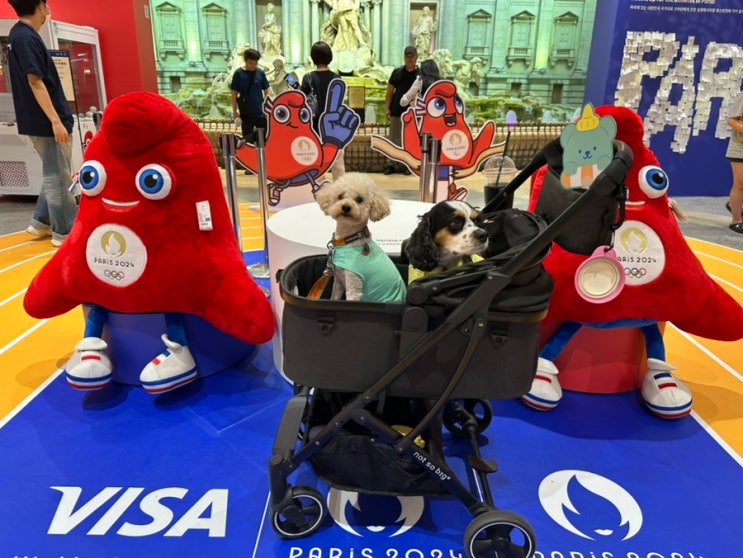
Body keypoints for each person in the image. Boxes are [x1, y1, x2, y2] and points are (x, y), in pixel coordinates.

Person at [7, 0, 76, 248]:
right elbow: (35, 81)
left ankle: (40, 221)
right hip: (46, 121)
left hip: (40, 120)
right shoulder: (26, 37)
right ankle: (65, 231)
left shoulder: (20, 35)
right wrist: (56, 121)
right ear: (40, 7)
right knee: (59, 177)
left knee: (54, 171)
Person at [301, 41, 345, 180]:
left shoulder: (308, 77)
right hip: (334, 125)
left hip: (315, 125)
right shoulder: (337, 78)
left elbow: (302, 100)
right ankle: (341, 189)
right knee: (337, 161)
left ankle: (320, 188)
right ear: (329, 57)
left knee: (318, 160)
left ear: (313, 57)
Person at [384, 46, 419, 174]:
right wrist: (387, 108)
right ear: (404, 57)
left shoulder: (420, 75)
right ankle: (390, 164)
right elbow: (389, 92)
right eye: (407, 56)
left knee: (410, 140)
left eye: (412, 56)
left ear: (416, 57)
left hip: (413, 114)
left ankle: (408, 165)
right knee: (393, 139)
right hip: (396, 110)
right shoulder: (396, 72)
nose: (409, 59)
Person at [230, 48, 270, 143]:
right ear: (245, 60)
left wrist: (267, 108)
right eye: (250, 63)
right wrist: (235, 111)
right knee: (247, 140)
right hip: (246, 114)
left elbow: (267, 91)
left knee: (264, 140)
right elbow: (234, 93)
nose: (253, 65)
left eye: (255, 63)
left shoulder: (260, 73)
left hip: (261, 113)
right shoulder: (238, 73)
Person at [725, 91, 743, 234]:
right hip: (739, 148)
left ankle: (734, 205)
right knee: (740, 183)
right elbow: (731, 120)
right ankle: (736, 220)